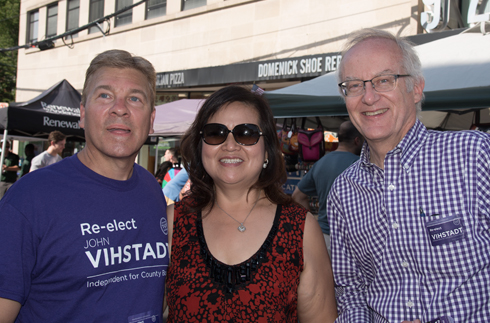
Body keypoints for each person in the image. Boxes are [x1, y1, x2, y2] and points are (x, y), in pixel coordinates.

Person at [327, 28, 490, 323]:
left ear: (416, 88)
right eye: (353, 85)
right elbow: (350, 290)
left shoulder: (474, 155)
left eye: (384, 80)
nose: (369, 97)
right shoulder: (344, 191)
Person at [0, 49, 169, 322]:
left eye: (135, 99)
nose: (120, 108)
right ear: (82, 114)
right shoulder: (29, 200)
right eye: (105, 95)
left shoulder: (151, 190)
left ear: (150, 120)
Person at [166, 85, 337, 322]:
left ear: (267, 150)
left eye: (246, 134)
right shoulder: (172, 223)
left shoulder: (302, 230)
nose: (230, 145)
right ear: (200, 146)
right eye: (216, 133)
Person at [292, 121, 363, 254]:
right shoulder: (359, 164)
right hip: (352, 239)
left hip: (324, 237)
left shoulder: (321, 163)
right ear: (357, 140)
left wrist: (312, 225)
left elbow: (297, 196)